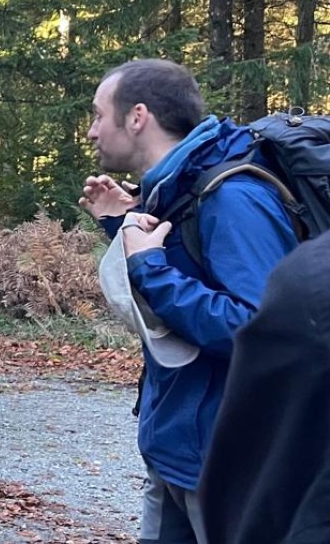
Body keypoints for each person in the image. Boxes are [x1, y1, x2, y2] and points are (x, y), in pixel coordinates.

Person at [78, 58, 296, 544]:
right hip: (176, 444)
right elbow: (190, 274)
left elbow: (258, 331)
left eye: (97, 115)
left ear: (137, 117)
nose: (91, 131)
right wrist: (123, 225)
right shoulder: (175, 190)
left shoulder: (233, 197)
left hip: (225, 461)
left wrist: (149, 266)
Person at [199, 235, 330, 544]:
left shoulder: (238, 196)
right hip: (177, 428)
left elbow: (244, 316)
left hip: (204, 437)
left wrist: (146, 267)